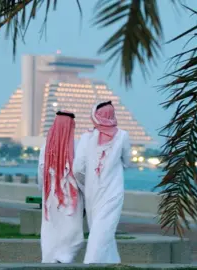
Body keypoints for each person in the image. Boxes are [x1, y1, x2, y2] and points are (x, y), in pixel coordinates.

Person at [73, 100, 132, 264]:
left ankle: (99, 263)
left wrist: (85, 185)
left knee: (101, 230)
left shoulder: (86, 137)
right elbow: (127, 161)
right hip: (113, 190)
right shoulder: (122, 136)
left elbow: (78, 168)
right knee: (103, 230)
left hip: (92, 192)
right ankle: (100, 263)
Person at [37, 110, 84, 263]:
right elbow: (79, 173)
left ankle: (54, 259)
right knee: (73, 232)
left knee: (52, 229)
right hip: (70, 196)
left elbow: (40, 173)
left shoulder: (46, 146)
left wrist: (43, 191)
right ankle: (61, 259)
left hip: (50, 196)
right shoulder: (77, 146)